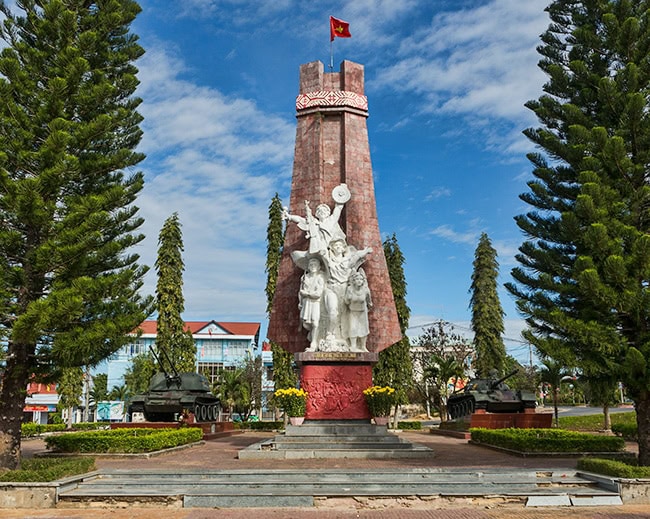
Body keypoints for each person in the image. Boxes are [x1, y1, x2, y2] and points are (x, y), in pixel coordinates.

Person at [298, 257, 326, 351]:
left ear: (319, 267)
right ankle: (313, 337)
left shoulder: (320, 277)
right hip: (307, 303)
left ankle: (313, 343)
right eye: (311, 265)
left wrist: (308, 294)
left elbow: (319, 293)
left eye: (315, 265)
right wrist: (300, 301)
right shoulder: (305, 277)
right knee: (306, 323)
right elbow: (300, 291)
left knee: (315, 322)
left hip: (316, 303)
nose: (313, 266)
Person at [344, 269, 372, 351]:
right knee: (353, 327)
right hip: (352, 312)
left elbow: (369, 302)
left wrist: (368, 307)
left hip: (362, 312)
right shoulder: (350, 289)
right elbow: (346, 301)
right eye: (357, 279)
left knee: (364, 328)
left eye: (360, 279)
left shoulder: (366, 290)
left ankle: (363, 346)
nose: (359, 281)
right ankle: (353, 345)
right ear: (353, 281)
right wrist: (348, 297)